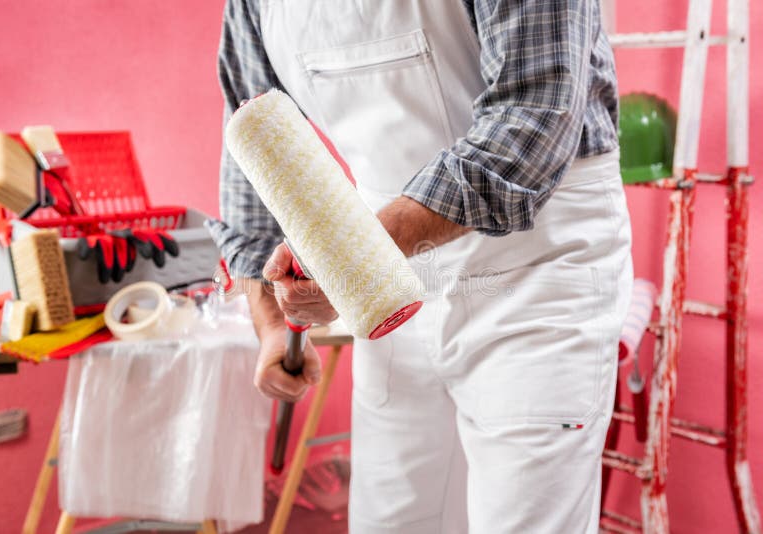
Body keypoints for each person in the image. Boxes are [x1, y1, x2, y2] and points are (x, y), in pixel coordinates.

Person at [208, 1, 633, 532]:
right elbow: (253, 140)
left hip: (534, 265)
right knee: (392, 520)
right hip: (386, 281)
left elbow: (533, 115)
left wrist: (353, 258)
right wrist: (274, 324)